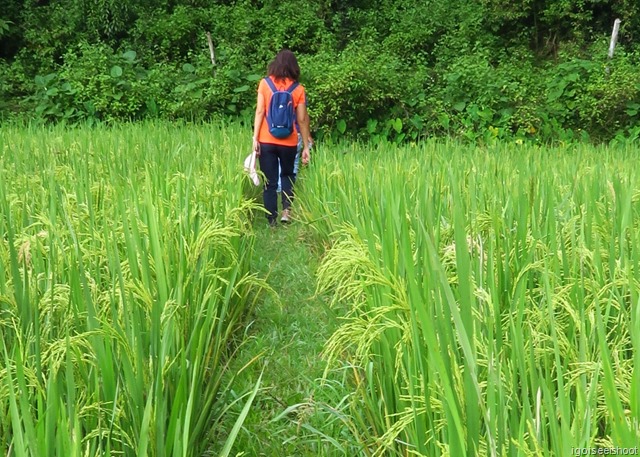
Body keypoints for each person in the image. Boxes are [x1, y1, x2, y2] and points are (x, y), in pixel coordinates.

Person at [252, 49, 311, 226]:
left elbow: (260, 111)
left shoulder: (264, 84)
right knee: (287, 175)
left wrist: (255, 137)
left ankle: (271, 220)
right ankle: (286, 211)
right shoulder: (298, 89)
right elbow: (301, 119)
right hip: (289, 141)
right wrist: (306, 145)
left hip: (266, 140)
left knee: (269, 181)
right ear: (294, 67)